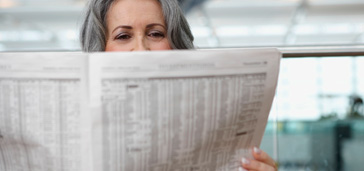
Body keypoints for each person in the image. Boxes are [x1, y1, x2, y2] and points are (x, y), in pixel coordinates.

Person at [80, 0, 278, 170]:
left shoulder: (218, 125)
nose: (141, 50)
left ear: (176, 44)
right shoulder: (82, 134)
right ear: (100, 49)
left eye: (156, 34)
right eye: (123, 36)